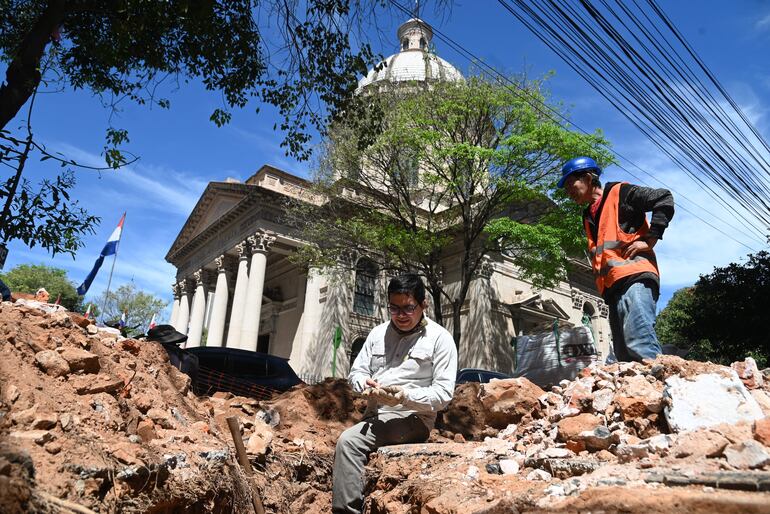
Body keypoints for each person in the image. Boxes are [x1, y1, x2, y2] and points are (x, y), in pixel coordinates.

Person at [332, 273, 457, 514]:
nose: (401, 315)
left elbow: (443, 395)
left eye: (408, 308)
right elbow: (356, 372)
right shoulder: (377, 333)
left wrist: (405, 397)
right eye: (394, 308)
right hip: (374, 414)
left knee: (348, 442)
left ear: (423, 305)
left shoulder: (440, 339)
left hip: (413, 417)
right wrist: (363, 384)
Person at [558, 156, 674, 363]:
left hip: (634, 277)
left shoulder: (619, 193)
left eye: (570, 184)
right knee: (624, 355)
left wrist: (651, 240)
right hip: (613, 287)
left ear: (587, 178)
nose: (568, 191)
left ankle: (662, 388)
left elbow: (663, 198)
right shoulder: (588, 216)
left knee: (639, 343)